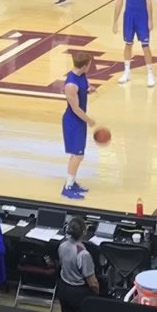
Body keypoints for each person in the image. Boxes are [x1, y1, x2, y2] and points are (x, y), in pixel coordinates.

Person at [113, 0, 154, 86]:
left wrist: (150, 19)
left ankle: (150, 73)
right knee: (128, 44)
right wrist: (115, 21)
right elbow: (119, 2)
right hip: (129, 17)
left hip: (142, 17)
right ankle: (126, 72)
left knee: (145, 46)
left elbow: (148, 1)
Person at [60, 49, 92, 199]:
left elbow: (85, 88)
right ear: (85, 66)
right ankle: (67, 187)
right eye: (89, 64)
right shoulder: (70, 85)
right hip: (73, 121)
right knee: (77, 155)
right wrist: (90, 120)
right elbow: (75, 108)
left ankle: (72, 182)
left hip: (79, 121)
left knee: (79, 154)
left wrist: (89, 89)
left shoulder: (82, 75)